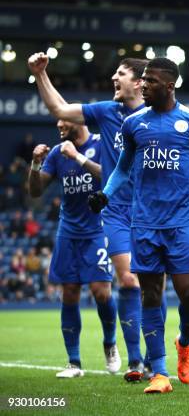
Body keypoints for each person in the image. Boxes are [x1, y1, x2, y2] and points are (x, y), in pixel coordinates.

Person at [89, 57, 189, 394]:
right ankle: (159, 372)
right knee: (150, 294)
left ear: (170, 85)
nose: (143, 85)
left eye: (150, 81)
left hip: (181, 222)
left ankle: (185, 341)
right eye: (143, 80)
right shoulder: (133, 124)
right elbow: (122, 169)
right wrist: (105, 195)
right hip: (144, 223)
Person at [27, 53, 148, 381]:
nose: (60, 124)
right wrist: (40, 75)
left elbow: (107, 171)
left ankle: (130, 349)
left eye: (120, 73)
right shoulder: (106, 114)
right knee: (82, 289)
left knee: (112, 289)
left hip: (137, 213)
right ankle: (79, 361)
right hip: (90, 222)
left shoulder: (143, 122)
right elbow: (58, 108)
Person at [28, 119, 120, 378]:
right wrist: (35, 163)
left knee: (101, 292)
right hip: (68, 230)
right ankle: (74, 362)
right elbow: (35, 191)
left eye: (63, 122)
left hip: (98, 228)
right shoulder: (58, 153)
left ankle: (110, 343)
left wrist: (78, 157)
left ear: (78, 121)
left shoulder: (102, 143)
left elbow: (111, 176)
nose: (59, 126)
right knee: (69, 293)